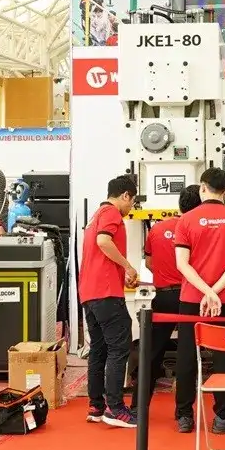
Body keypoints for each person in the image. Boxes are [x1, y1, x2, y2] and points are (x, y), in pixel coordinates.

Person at [173, 167, 225, 435]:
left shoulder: (185, 221)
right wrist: (215, 292)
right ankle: (223, 417)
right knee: (224, 359)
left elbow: (182, 264)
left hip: (191, 299)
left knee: (186, 358)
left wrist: (204, 291)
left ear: (202, 188)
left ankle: (184, 416)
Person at [79, 174, 140, 428]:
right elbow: (104, 241)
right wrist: (128, 267)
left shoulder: (95, 216)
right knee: (120, 346)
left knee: (100, 349)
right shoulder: (111, 213)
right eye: (132, 202)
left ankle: (96, 405)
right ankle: (115, 409)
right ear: (125, 195)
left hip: (89, 293)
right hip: (105, 293)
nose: (131, 208)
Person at [140, 184, 200, 411]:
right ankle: (183, 413)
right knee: (188, 354)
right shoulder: (196, 231)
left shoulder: (157, 229)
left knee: (152, 352)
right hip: (189, 298)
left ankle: (138, 407)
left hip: (163, 298)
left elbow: (148, 262)